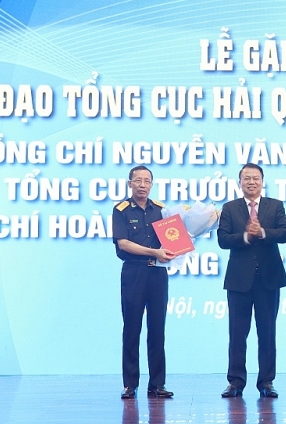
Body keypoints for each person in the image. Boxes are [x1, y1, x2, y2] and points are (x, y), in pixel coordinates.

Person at [217, 163, 286, 398]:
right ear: (240, 182)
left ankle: (266, 382)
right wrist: (247, 236)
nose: (251, 182)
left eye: (255, 178)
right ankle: (236, 382)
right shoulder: (230, 208)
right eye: (246, 178)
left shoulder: (275, 206)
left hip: (269, 279)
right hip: (239, 280)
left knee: (267, 332)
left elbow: (285, 233)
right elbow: (223, 239)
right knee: (237, 334)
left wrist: (263, 233)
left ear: (262, 181)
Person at [112, 165, 176, 399]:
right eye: (137, 180)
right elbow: (124, 244)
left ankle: (157, 384)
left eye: (146, 181)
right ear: (130, 183)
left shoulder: (161, 210)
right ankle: (130, 384)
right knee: (132, 328)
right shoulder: (121, 210)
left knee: (157, 329)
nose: (142, 184)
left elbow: (174, 238)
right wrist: (154, 252)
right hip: (134, 273)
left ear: (151, 184)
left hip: (158, 275)